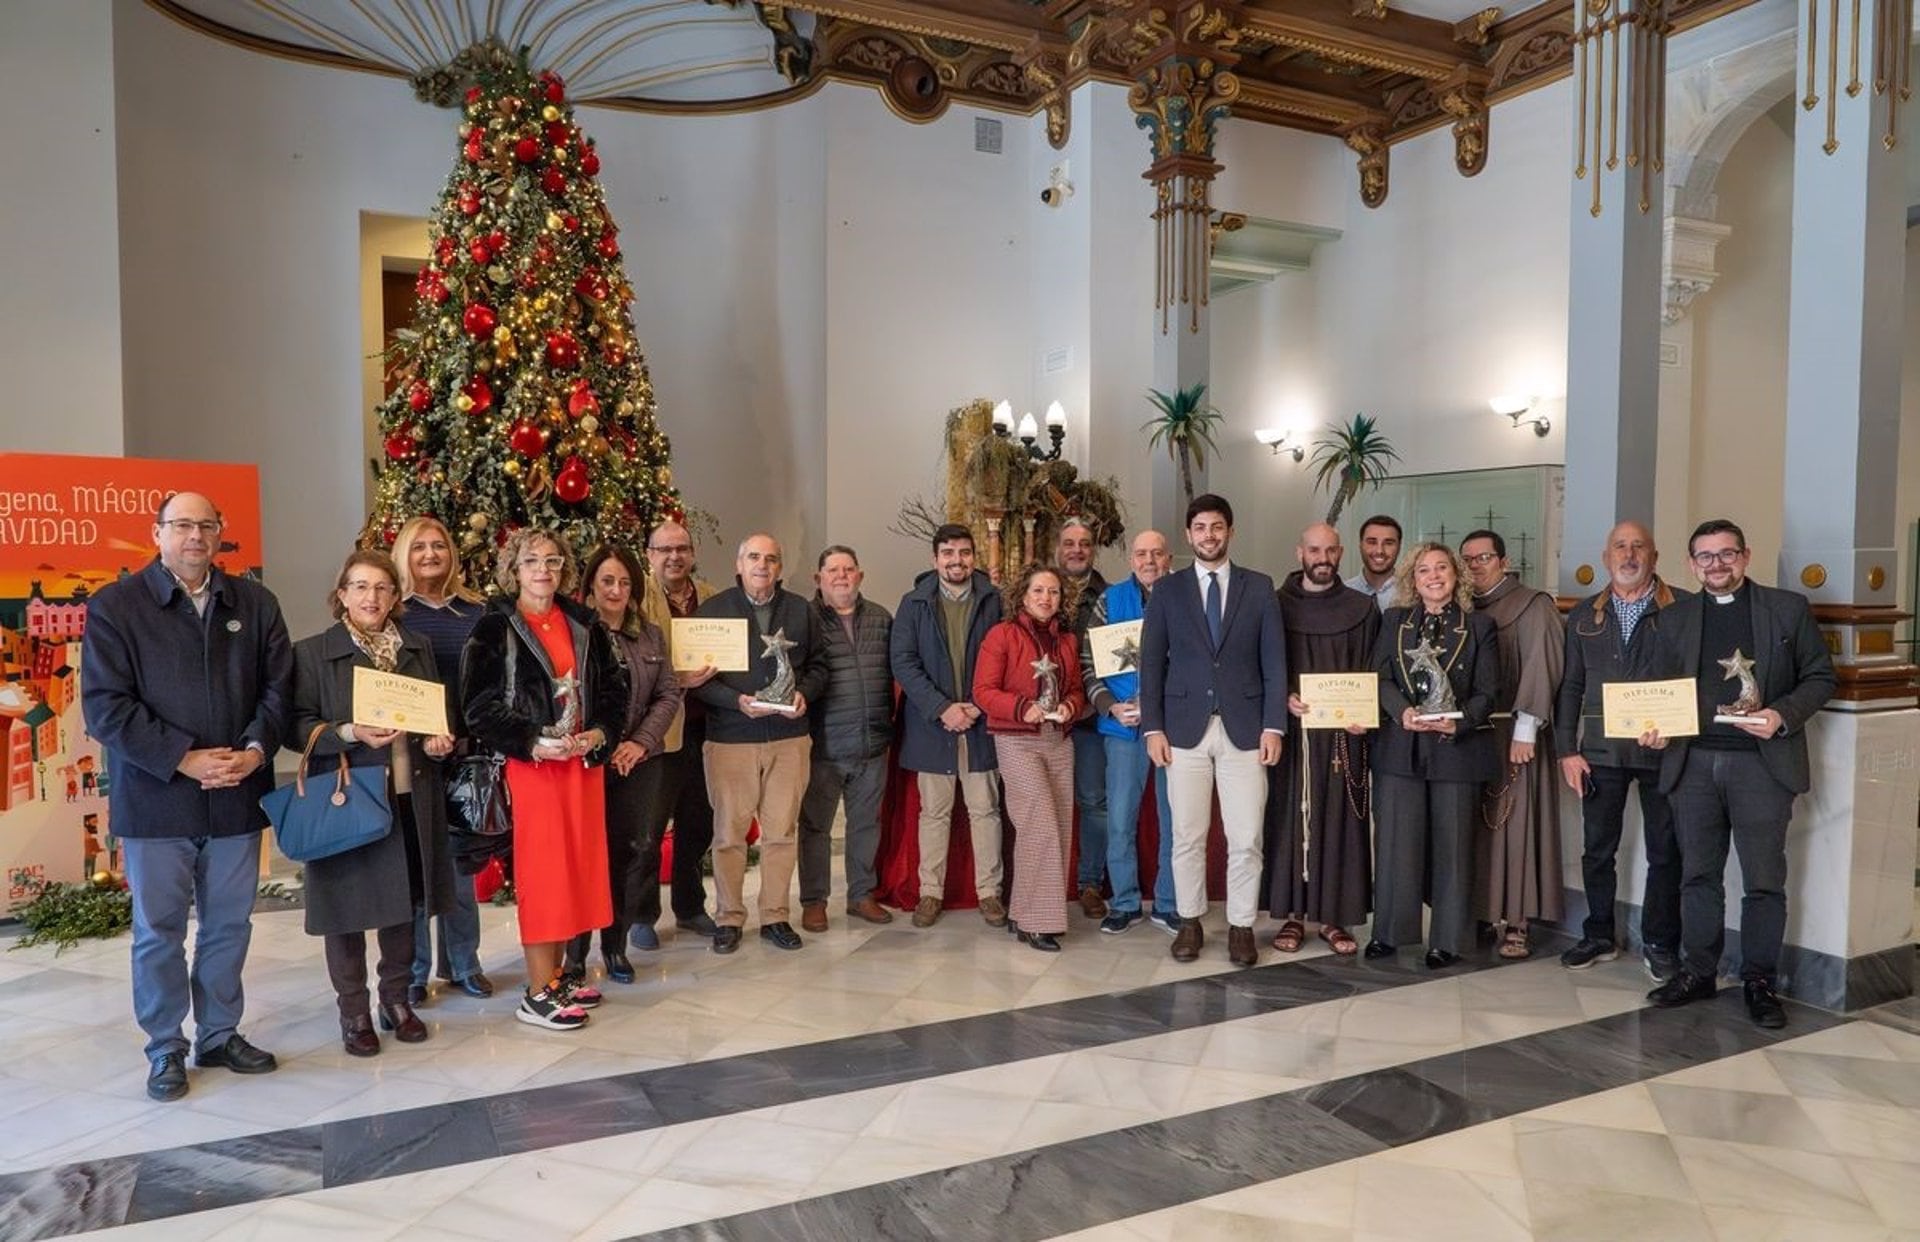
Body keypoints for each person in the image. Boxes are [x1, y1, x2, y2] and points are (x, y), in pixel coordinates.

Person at [81, 491, 293, 1101]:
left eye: (206, 525)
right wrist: (182, 757)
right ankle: (166, 1046)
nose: (194, 536)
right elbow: (105, 708)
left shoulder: (255, 603)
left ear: (221, 534)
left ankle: (220, 1034)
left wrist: (254, 750)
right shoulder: (116, 607)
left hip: (235, 793)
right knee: (159, 929)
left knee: (229, 926)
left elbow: (278, 689)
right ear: (157, 534)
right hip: (156, 801)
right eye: (181, 525)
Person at [1642, 519, 1835, 1029]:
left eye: (1726, 554)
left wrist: (1782, 716)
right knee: (1697, 876)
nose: (1716, 565)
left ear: (1746, 557)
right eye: (1705, 556)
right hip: (1693, 764)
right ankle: (1699, 972)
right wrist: (1653, 728)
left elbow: (1820, 676)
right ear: (1691, 564)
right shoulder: (1675, 617)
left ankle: (1759, 981)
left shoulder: (1786, 609)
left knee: (1764, 882)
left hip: (1762, 765)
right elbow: (1658, 689)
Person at [291, 550, 457, 1056]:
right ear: (341, 594)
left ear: (395, 597)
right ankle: (354, 1011)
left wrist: (438, 739)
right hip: (349, 799)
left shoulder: (416, 646)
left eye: (383, 588)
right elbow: (294, 726)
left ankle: (395, 1000)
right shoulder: (312, 653)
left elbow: (435, 714)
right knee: (345, 909)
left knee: (402, 906)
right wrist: (346, 731)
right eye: (360, 587)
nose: (372, 597)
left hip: (409, 794)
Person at [462, 529, 624, 1029]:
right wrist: (531, 739)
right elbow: (478, 707)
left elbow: (614, 691)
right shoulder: (496, 627)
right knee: (546, 874)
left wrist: (598, 733)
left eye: (553, 561)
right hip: (532, 770)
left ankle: (558, 976)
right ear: (514, 568)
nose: (543, 570)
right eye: (532, 560)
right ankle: (536, 993)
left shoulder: (584, 624)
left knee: (577, 869)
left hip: (579, 766)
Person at [1140, 494, 1287, 968]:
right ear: (1189, 534)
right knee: (1186, 834)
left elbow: (1274, 663)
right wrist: (1153, 728)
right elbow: (1150, 665)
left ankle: (1242, 926)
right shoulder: (1167, 590)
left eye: (1217, 526)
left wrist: (1273, 726)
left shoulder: (1260, 587)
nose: (1209, 535)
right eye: (1201, 527)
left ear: (1230, 531)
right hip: (1182, 732)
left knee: (1246, 837)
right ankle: (1189, 921)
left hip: (1246, 730)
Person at [1555, 521, 1686, 978]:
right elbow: (1570, 686)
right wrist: (1565, 751)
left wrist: (1676, 729)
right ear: (1606, 557)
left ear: (1654, 556)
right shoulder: (1584, 614)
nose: (1629, 555)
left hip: (1663, 751)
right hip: (1600, 753)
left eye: (1638, 547)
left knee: (1666, 852)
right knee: (1596, 850)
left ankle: (1660, 942)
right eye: (1620, 547)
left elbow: (1696, 683)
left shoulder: (1685, 609)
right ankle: (1598, 934)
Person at [691, 534, 829, 954]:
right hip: (731, 740)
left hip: (789, 740)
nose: (762, 566)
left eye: (771, 559)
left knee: (781, 834)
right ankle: (729, 918)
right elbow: (698, 681)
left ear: (780, 568)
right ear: (739, 562)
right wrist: (735, 702)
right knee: (730, 835)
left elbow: (821, 665)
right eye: (754, 557)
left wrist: (805, 691)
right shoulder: (714, 612)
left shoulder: (801, 611)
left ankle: (775, 916)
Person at [1368, 542, 1500, 970]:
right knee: (1395, 846)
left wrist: (1459, 722)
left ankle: (1447, 940)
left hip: (1455, 749)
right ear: (1413, 579)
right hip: (1401, 747)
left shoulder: (1479, 626)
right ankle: (1389, 933)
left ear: (1457, 575)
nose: (1434, 576)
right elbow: (1379, 676)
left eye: (1442, 568)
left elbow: (1489, 691)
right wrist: (1399, 711)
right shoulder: (1394, 621)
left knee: (1454, 846)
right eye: (1424, 570)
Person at [563, 545, 682, 984]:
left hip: (637, 763)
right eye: (607, 580)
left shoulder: (649, 635)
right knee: (583, 858)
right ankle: (574, 956)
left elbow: (669, 693)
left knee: (627, 853)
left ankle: (613, 948)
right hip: (585, 763)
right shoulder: (574, 632)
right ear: (591, 584)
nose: (615, 590)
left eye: (624, 582)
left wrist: (639, 743)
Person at [391, 515, 492, 1003]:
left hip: (465, 754)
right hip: (411, 755)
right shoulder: (393, 614)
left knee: (460, 867)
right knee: (414, 868)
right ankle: (415, 971)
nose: (430, 555)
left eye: (439, 546)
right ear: (403, 556)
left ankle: (464, 963)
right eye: (419, 548)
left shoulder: (474, 612)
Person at [1268, 523, 1381, 956]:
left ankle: (1334, 917)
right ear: (1300, 552)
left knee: (1341, 823)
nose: (1323, 558)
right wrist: (1282, 697)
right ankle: (1293, 915)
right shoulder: (1275, 605)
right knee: (1290, 820)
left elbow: (1375, 668)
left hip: (1342, 736)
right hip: (1292, 735)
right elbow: (1260, 663)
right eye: (1315, 549)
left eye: (1331, 550)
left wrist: (1364, 714)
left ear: (1340, 554)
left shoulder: (1362, 608)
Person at [890, 523, 1007, 928]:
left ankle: (989, 892)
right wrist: (943, 708)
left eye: (963, 553)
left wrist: (975, 705)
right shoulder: (914, 603)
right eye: (948, 553)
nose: (956, 561)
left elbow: (1005, 658)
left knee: (985, 810)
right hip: (932, 725)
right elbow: (903, 662)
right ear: (935, 559)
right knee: (934, 813)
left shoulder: (995, 601)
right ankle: (929, 892)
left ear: (973, 556)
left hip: (981, 723)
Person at [1459, 529, 1565, 960]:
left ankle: (1518, 922)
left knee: (1517, 829)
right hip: (1474, 735)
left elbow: (1545, 663)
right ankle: (1484, 913)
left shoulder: (1532, 604)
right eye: (1467, 560)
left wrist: (1526, 729)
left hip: (1517, 733)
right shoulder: (1464, 608)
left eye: (1484, 557)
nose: (1475, 566)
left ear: (1503, 561)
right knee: (1481, 831)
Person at [974, 566, 1085, 952]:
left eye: (1053, 592)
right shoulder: (1001, 635)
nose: (1045, 598)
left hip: (1057, 739)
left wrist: (1070, 706)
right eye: (1038, 590)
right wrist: (1023, 708)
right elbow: (983, 691)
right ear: (1023, 595)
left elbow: (1075, 689)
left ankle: (1023, 913)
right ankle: (1040, 923)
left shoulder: (1067, 641)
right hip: (1016, 739)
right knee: (1040, 823)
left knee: (1060, 825)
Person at [1079, 530, 1178, 935]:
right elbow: (1088, 664)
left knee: (1175, 821)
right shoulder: (1109, 600)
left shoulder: (1184, 597)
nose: (1149, 560)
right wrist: (1110, 706)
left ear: (1169, 557)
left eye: (1157, 552)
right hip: (1122, 729)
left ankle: (1169, 903)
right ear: (1131, 559)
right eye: (1141, 554)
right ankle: (1124, 902)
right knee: (1120, 818)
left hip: (1174, 729)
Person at [797, 545, 895, 930]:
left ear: (860, 576)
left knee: (866, 824)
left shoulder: (881, 619)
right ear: (818, 578)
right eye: (833, 570)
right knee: (816, 827)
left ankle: (861, 895)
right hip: (823, 745)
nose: (841, 576)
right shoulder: (805, 621)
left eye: (848, 569)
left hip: (872, 743)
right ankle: (814, 900)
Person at [638, 520, 722, 944]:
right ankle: (641, 916)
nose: (675, 557)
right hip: (658, 734)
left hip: (707, 731)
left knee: (698, 824)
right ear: (650, 554)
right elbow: (635, 660)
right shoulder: (638, 597)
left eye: (683, 549)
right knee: (650, 829)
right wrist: (678, 678)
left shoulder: (711, 597)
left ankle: (690, 908)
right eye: (665, 549)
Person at [1055, 517, 1111, 920]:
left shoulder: (1110, 595)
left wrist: (1096, 700)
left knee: (1093, 802)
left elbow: (1119, 659)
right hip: (1044, 722)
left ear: (1094, 549)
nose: (1077, 549)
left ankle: (1090, 883)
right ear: (1058, 547)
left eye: (1085, 543)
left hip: (1090, 719)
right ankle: (1046, 884)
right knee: (1047, 805)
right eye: (1069, 542)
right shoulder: (1040, 591)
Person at [1345, 515, 1402, 612]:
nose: (1379, 551)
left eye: (1388, 543)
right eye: (1372, 542)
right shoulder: (1343, 593)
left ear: (1399, 547)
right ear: (1360, 545)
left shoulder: (1413, 594)